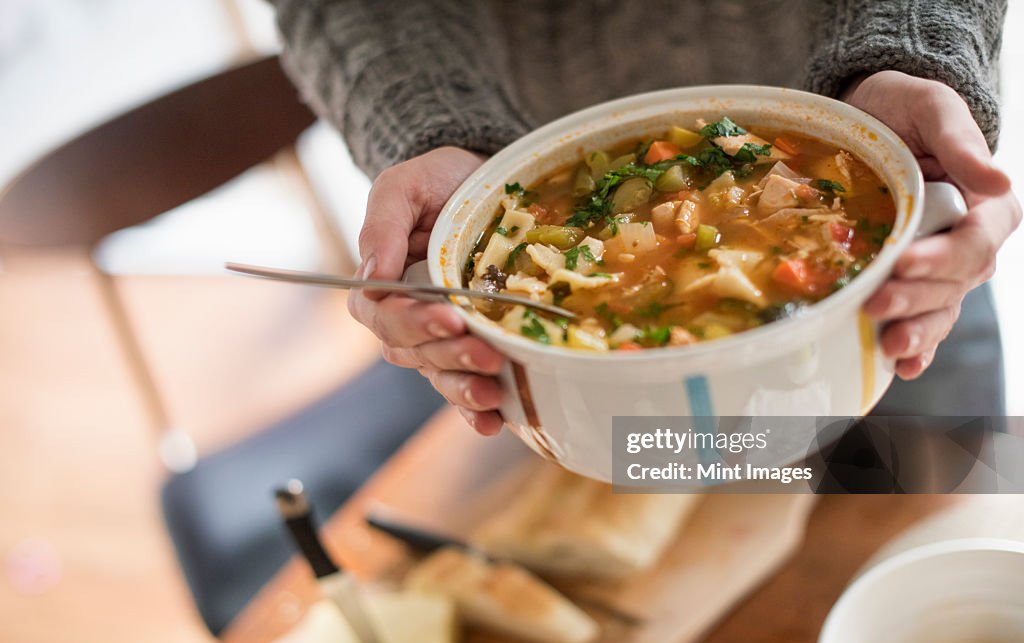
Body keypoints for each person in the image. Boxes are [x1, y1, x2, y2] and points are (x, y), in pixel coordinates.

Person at [271, 0, 1020, 434]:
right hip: (583, 386)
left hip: (886, 289)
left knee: (925, 536)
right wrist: (434, 128)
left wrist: (912, 49)